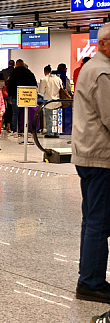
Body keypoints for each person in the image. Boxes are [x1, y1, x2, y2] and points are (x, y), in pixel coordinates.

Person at [71, 23, 110, 304]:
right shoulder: (103, 72)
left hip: (88, 154)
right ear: (105, 44)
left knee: (92, 219)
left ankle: (90, 276)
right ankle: (91, 282)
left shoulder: (91, 68)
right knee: (99, 221)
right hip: (101, 156)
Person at [6, 59, 37, 134]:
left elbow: (9, 84)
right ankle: (26, 130)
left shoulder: (13, 73)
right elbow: (34, 84)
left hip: (16, 95)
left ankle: (14, 130)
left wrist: (10, 94)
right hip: (27, 96)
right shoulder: (29, 73)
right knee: (26, 113)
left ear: (16, 65)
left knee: (15, 113)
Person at [38, 65, 64, 138]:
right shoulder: (58, 79)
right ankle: (57, 133)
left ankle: (50, 133)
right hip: (58, 101)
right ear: (51, 71)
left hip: (48, 101)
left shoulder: (44, 79)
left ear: (45, 71)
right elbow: (61, 89)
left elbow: (42, 91)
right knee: (57, 118)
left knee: (49, 118)